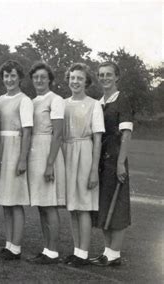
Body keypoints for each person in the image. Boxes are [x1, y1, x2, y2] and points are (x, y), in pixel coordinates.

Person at [90, 62, 133, 266]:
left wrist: (121, 163)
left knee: (118, 207)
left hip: (116, 160)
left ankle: (115, 254)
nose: (104, 78)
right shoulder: (99, 102)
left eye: (109, 74)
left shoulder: (122, 101)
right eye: (101, 74)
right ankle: (107, 252)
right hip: (101, 161)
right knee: (104, 205)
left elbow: (126, 134)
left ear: (117, 77)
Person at [62, 62, 104, 267]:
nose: (75, 81)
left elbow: (97, 139)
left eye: (79, 78)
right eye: (72, 78)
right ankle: (77, 250)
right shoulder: (62, 103)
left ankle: (84, 253)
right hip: (67, 153)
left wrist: (94, 170)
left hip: (85, 153)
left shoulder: (94, 104)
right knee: (73, 206)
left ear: (86, 81)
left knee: (84, 206)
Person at [26, 62, 66, 264]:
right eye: (36, 77)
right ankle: (46, 248)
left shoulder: (56, 100)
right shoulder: (32, 101)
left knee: (49, 205)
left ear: (49, 79)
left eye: (43, 77)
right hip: (34, 152)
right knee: (42, 205)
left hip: (48, 151)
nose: (39, 80)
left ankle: (53, 251)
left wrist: (50, 164)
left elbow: (58, 134)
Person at [0, 60, 33, 260]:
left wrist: (22, 159)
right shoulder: (0, 100)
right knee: (6, 202)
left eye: (13, 76)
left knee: (15, 201)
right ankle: (8, 244)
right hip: (2, 150)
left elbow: (27, 132)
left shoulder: (24, 100)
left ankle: (16, 247)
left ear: (19, 78)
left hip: (15, 150)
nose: (9, 80)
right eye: (6, 76)